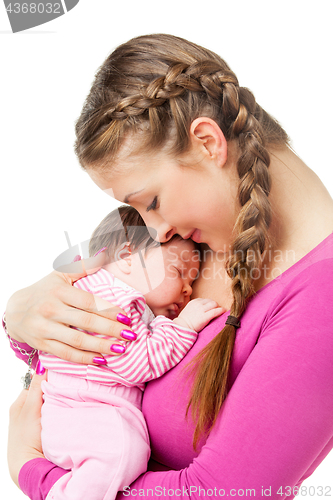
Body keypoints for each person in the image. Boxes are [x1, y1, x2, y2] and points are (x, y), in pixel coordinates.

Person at [5, 33, 333, 500]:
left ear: (207, 142)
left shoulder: (323, 299)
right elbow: (82, 353)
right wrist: (19, 316)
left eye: (152, 201)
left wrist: (33, 472)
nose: (155, 230)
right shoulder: (194, 238)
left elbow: (223, 494)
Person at [34, 204, 223, 500]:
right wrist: (183, 325)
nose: (188, 290)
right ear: (125, 257)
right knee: (122, 452)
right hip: (83, 410)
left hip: (81, 415)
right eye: (178, 271)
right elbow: (138, 363)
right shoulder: (114, 301)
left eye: (192, 281)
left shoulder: (106, 294)